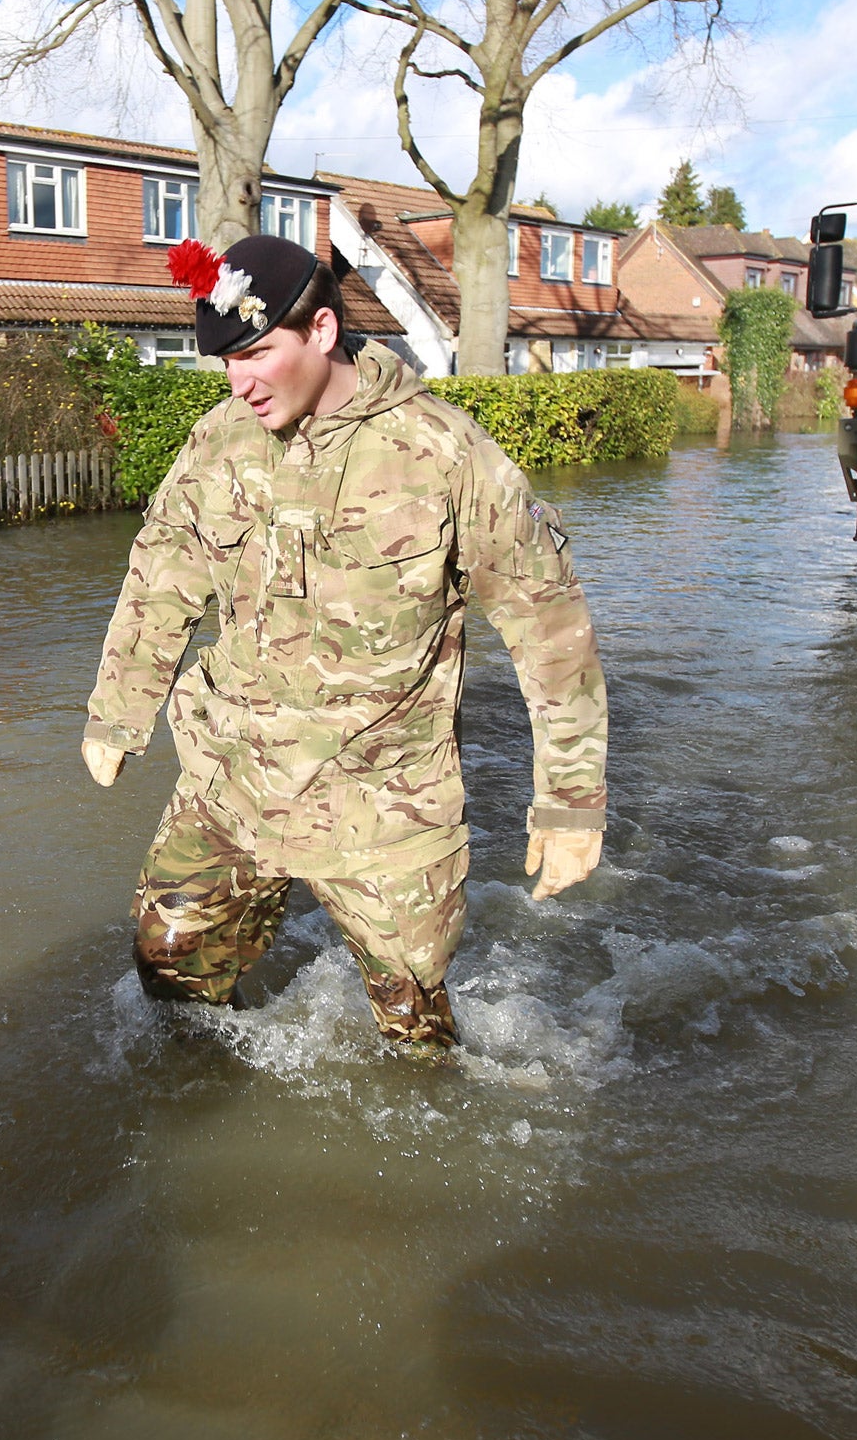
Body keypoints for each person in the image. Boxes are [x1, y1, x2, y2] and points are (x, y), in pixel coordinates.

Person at [81, 234, 608, 1047]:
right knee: (170, 976)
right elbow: (162, 574)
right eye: (225, 362)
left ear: (322, 332)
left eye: (256, 353)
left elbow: (547, 624)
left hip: (383, 800)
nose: (239, 381)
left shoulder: (443, 454)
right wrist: (119, 713)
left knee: (413, 1035)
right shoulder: (220, 443)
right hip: (234, 778)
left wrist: (571, 804)